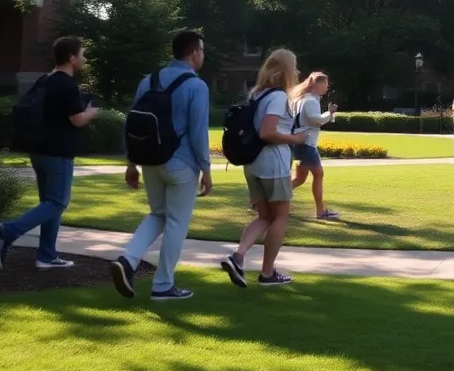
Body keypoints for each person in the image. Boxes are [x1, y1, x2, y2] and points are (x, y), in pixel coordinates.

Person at [109, 31, 211, 300]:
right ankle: (163, 285)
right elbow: (199, 132)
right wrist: (207, 169)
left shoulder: (148, 80)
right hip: (182, 164)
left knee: (158, 215)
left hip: (149, 160)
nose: (203, 55)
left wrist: (131, 162)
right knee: (177, 223)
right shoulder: (196, 85)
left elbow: (131, 122)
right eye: (201, 50)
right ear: (192, 52)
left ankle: (128, 260)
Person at [0, 37, 98, 271]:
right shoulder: (67, 84)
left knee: (49, 202)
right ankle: (7, 231)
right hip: (58, 151)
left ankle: (47, 256)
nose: (84, 58)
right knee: (57, 202)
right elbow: (76, 119)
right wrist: (91, 113)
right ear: (71, 58)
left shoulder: (45, 80)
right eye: (82, 54)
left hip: (38, 150)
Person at [221, 49, 310, 288]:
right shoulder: (278, 96)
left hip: (253, 164)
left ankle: (237, 257)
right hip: (273, 165)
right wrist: (296, 139)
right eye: (294, 67)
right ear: (286, 70)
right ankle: (267, 273)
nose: (297, 71)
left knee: (264, 216)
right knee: (280, 216)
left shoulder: (257, 93)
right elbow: (267, 132)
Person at [289, 71, 339, 220]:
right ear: (315, 85)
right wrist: (329, 113)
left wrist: (328, 115)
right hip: (306, 142)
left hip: (299, 142)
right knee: (318, 174)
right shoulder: (311, 100)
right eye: (325, 84)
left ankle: (272, 200)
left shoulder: (302, 98)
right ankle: (320, 211)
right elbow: (315, 119)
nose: (327, 88)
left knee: (300, 178)